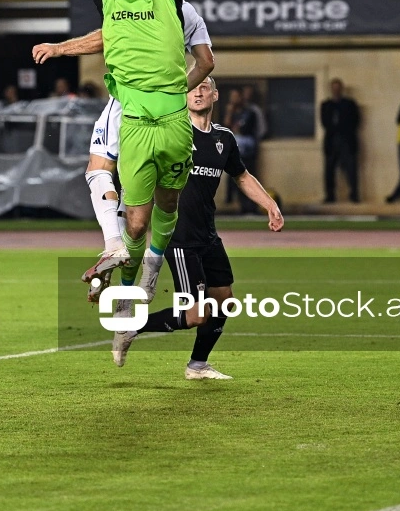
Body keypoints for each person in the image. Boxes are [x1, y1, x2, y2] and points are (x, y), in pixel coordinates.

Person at [62, 0, 197, 314]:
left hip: (176, 114)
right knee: (135, 226)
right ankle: (125, 290)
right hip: (136, 120)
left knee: (169, 204)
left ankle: (152, 272)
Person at [31, 0, 213, 294]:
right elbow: (206, 62)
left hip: (130, 104)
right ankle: (149, 270)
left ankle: (113, 244)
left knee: (100, 169)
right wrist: (175, 94)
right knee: (153, 211)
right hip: (171, 116)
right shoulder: (186, 10)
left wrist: (59, 48)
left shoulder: (134, 6)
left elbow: (106, 37)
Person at [109, 76, 283, 374]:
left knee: (224, 302)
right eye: (193, 88)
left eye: (205, 88)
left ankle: (198, 365)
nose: (199, 92)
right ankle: (130, 326)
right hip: (179, 236)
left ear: (215, 95)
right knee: (196, 314)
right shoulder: (171, 136)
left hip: (208, 235)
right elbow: (142, 173)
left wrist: (269, 204)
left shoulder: (224, 138)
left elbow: (241, 175)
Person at [321, 78, 359, 203]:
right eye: (334, 88)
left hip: (347, 140)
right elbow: (324, 122)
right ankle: (330, 196)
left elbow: (356, 120)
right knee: (329, 170)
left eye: (338, 88)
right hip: (331, 141)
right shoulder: (326, 105)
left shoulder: (349, 104)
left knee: (351, 169)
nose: (336, 91)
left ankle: (354, 195)